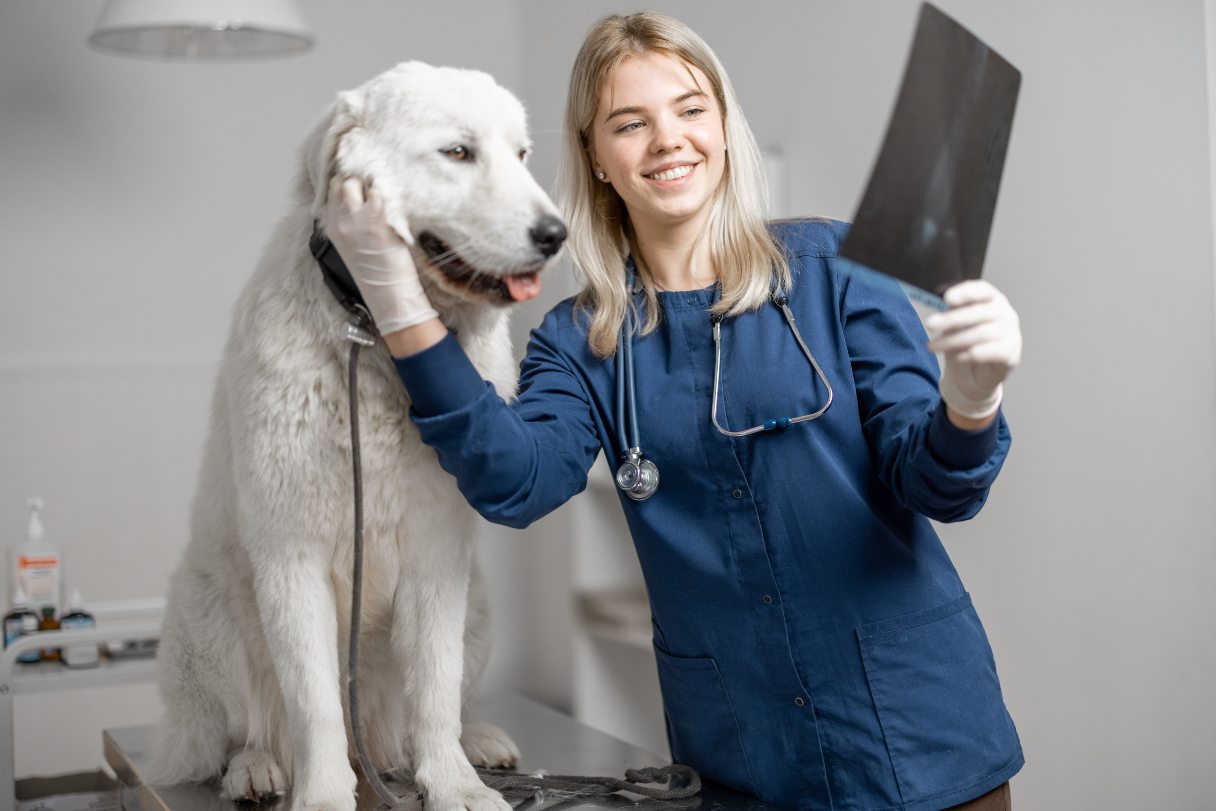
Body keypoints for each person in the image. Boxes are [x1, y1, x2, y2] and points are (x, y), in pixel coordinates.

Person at [325, 11, 1023, 811]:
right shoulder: (578, 340)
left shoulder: (836, 269)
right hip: (744, 754)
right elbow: (513, 481)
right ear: (596, 154)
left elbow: (939, 486)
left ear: (723, 125)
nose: (668, 140)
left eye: (691, 108)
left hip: (920, 739)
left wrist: (971, 400)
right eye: (631, 122)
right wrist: (397, 299)